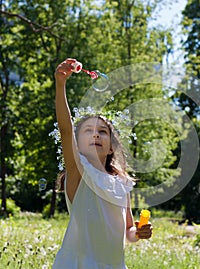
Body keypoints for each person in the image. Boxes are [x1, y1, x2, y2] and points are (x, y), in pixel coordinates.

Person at [52, 58, 152, 269]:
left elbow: (128, 231)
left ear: (111, 148)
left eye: (102, 132)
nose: (95, 135)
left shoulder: (121, 184)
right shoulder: (78, 172)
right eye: (88, 131)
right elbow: (66, 129)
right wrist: (60, 85)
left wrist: (139, 232)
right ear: (76, 145)